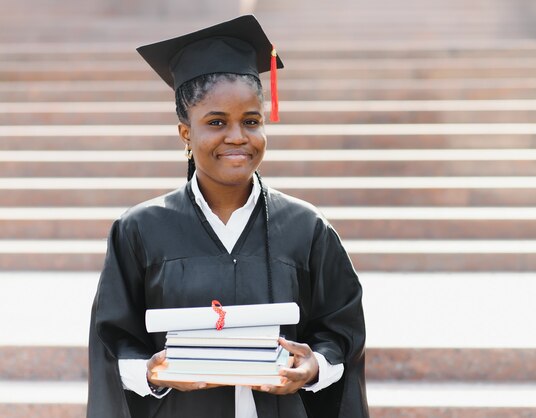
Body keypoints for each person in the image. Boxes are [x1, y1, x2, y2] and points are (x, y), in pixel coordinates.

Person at [87, 15, 368, 418]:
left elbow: (340, 328)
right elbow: (113, 338)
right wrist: (152, 371)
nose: (237, 136)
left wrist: (314, 365)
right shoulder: (140, 230)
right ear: (186, 133)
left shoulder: (306, 228)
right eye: (216, 122)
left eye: (250, 121)